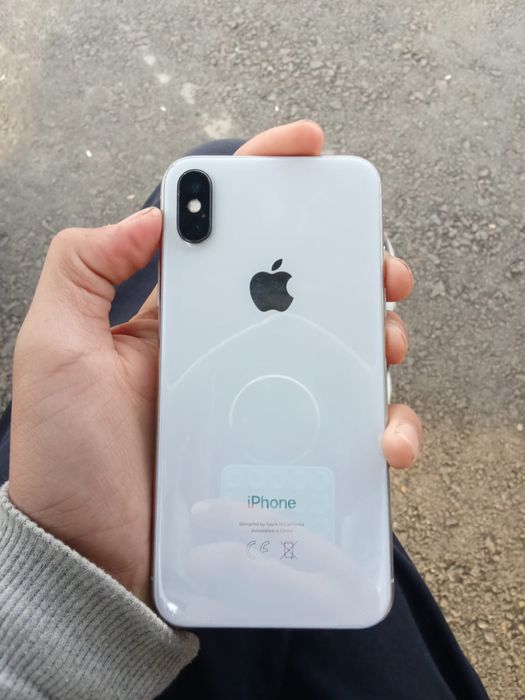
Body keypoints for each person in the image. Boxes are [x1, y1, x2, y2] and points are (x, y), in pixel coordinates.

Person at [0, 121, 488, 699]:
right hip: (249, 586)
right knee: (228, 162)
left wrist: (63, 567)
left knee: (224, 163)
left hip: (115, 622)